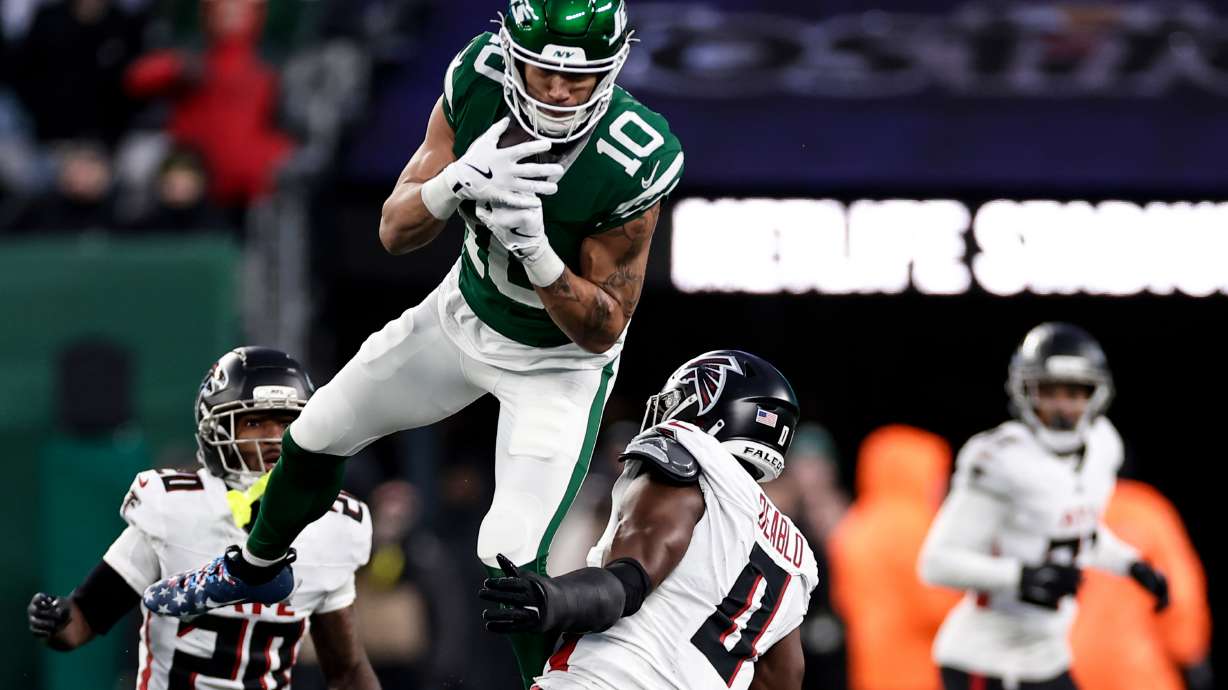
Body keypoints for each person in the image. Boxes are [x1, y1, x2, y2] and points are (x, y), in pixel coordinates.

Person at [144, 0, 683, 686]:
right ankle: (255, 571)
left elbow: (603, 325)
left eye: (575, 79)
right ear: (512, 50)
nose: (555, 90)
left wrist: (538, 253)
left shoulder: (634, 155)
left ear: (613, 69)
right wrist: (454, 184)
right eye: (541, 69)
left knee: (510, 561)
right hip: (461, 314)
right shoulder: (480, 78)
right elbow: (394, 232)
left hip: (556, 365)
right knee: (316, 433)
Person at [28, 347, 378, 689]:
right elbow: (82, 619)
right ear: (216, 430)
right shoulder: (175, 508)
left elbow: (346, 670)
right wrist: (56, 619)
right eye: (255, 421)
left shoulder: (334, 525)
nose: (274, 438)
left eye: (287, 421)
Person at [479, 350, 818, 689]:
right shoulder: (796, 555)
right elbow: (785, 677)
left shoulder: (691, 458)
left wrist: (554, 598)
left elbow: (628, 583)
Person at [918, 323, 1170, 690]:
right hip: (985, 658)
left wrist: (1130, 564)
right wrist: (1020, 576)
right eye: (1049, 391)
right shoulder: (1001, 459)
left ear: (1096, 394)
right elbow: (936, 563)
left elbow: (1078, 531)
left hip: (1045, 655)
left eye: (1074, 392)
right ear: (1025, 391)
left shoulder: (1102, 446)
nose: (1062, 406)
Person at [828, 425, 960, 690]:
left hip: (869, 671)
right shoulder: (918, 528)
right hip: (918, 674)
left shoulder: (854, 523)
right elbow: (937, 608)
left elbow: (842, 599)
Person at [1070, 478, 1213, 690]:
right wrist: (1190, 654)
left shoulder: (1044, 510)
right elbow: (1179, 592)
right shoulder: (1143, 509)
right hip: (1137, 672)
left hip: (1066, 668)